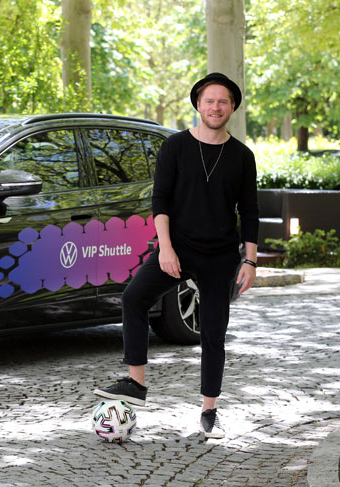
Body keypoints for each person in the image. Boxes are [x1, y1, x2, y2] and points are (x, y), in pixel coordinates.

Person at [94, 72, 259, 439]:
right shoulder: (175, 147)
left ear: (232, 107)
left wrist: (250, 260)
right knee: (133, 298)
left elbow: (249, 211)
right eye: (209, 100)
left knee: (213, 333)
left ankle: (209, 410)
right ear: (198, 104)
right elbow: (161, 201)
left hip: (220, 256)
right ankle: (136, 383)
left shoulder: (242, 156)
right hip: (178, 247)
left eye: (223, 101)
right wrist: (165, 248)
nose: (215, 106)